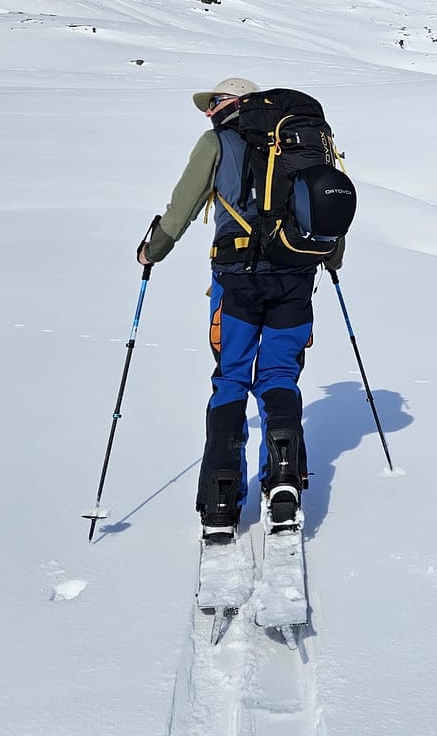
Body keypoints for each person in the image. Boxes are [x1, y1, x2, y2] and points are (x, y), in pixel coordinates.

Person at [137, 76, 341, 535]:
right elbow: (328, 196)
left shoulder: (218, 140)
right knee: (279, 375)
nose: (209, 111)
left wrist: (154, 249)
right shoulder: (302, 140)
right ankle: (285, 478)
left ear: (233, 103)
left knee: (231, 378)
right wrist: (331, 258)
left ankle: (221, 497)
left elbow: (182, 205)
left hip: (236, 279)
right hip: (295, 271)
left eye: (214, 103)